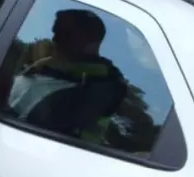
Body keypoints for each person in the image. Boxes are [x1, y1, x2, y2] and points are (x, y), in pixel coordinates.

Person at [7, 9, 127, 139]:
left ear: (91, 44)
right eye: (55, 33)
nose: (54, 39)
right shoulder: (45, 67)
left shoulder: (99, 86)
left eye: (64, 35)